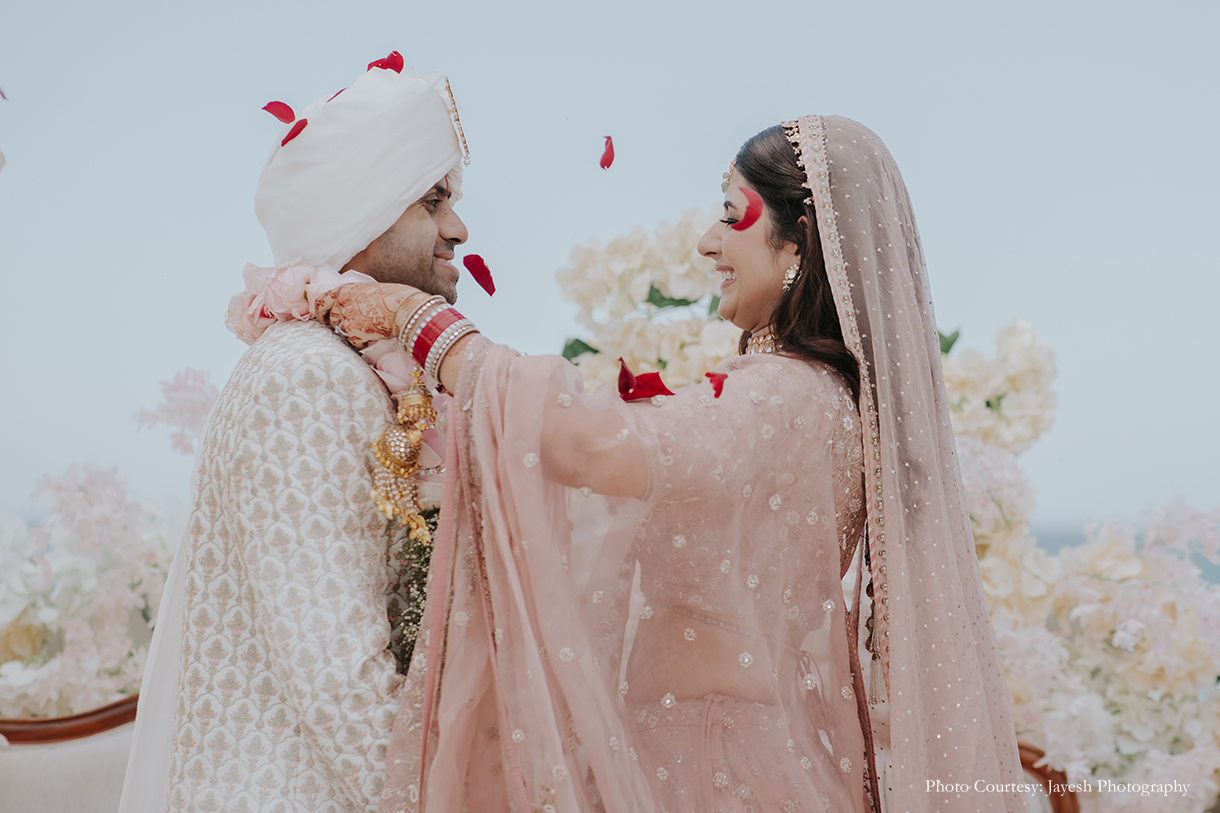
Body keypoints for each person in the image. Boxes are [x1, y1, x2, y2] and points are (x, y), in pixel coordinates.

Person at [321, 115, 1025, 813]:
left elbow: (586, 445)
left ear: (799, 243)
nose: (706, 242)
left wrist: (425, 325)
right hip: (752, 754)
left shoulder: (781, 396)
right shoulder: (826, 399)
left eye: (730, 215)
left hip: (712, 765)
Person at [119, 54, 470, 813]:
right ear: (365, 212)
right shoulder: (306, 376)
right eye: (433, 199)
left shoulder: (347, 364)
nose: (458, 228)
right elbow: (336, 670)